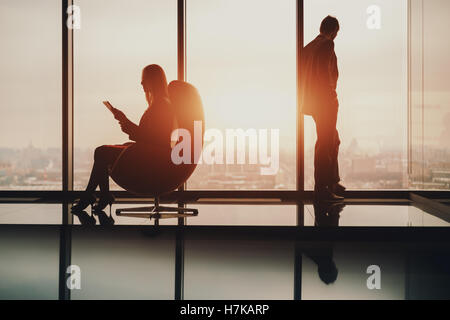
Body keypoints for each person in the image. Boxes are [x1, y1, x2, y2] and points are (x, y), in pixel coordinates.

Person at [72, 64, 175, 212]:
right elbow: (150, 136)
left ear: (153, 80)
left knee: (101, 152)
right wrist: (126, 123)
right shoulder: (159, 103)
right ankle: (99, 196)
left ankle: (94, 196)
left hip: (153, 159)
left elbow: (155, 138)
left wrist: (126, 123)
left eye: (144, 79)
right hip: (151, 154)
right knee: (102, 152)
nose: (141, 83)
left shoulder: (161, 105)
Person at [300, 15, 345, 201]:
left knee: (333, 140)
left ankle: (332, 181)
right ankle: (322, 188)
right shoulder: (327, 45)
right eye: (336, 32)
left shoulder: (308, 47)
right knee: (325, 144)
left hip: (312, 103)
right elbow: (324, 75)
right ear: (333, 31)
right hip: (325, 103)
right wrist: (331, 96)